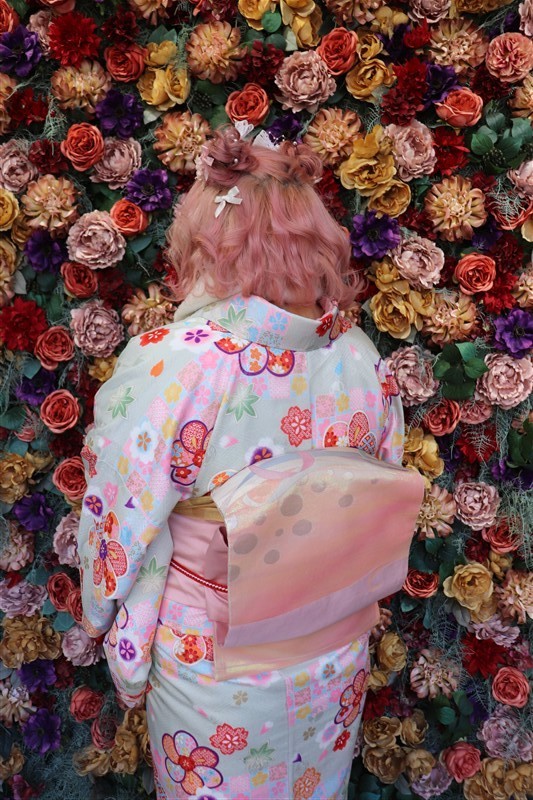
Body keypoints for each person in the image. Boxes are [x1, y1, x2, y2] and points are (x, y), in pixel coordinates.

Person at [78, 126, 423, 800]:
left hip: (215, 658)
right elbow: (384, 474)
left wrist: (101, 616)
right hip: (332, 643)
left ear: (211, 239)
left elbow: (120, 514)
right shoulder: (358, 354)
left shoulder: (179, 362)